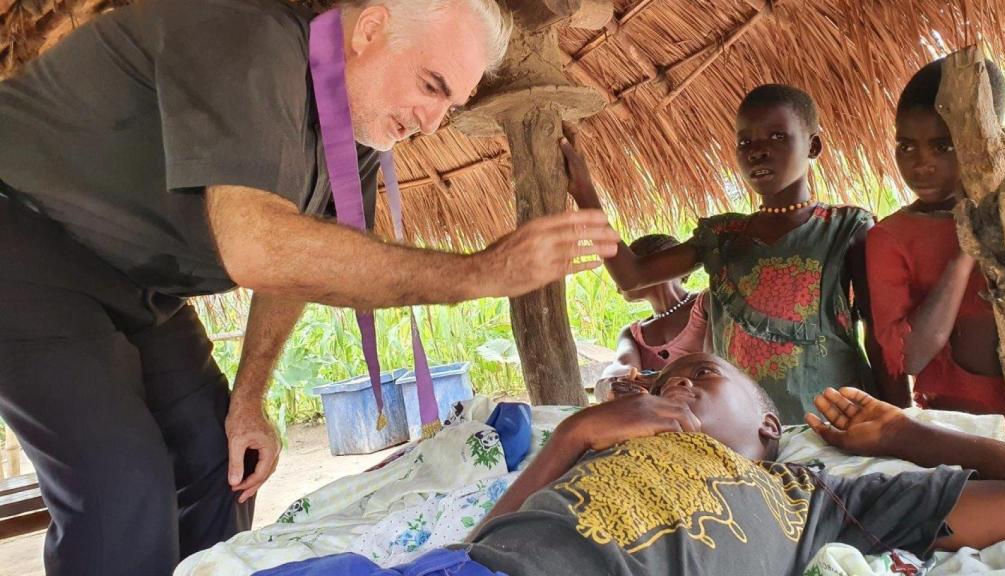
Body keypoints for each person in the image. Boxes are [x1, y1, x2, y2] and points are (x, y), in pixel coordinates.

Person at [0, 0, 620, 573]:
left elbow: (304, 261)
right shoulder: (249, 35)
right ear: (371, 29)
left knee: (223, 461)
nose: (432, 124)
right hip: (23, 240)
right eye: (431, 86)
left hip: (142, 285)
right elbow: (257, 244)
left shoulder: (357, 135)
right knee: (118, 486)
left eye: (450, 105)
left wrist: (250, 398)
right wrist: (479, 273)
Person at [258, 353, 1005, 576]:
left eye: (701, 376)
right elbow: (479, 543)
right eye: (665, 381)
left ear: (766, 422)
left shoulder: (811, 496)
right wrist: (574, 437)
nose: (676, 386)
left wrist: (912, 437)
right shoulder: (602, 443)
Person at [564, 84, 883, 424]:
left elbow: (878, 334)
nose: (757, 151)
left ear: (813, 145)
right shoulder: (723, 238)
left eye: (777, 136)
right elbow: (632, 275)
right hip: (746, 428)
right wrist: (585, 192)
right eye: (745, 142)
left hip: (835, 422)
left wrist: (898, 415)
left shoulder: (845, 229)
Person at [865, 57, 1005, 428]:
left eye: (943, 146)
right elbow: (910, 357)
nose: (921, 164)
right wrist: (965, 252)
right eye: (906, 146)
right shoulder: (891, 237)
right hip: (963, 433)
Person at [594, 234, 708, 402]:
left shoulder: (706, 305)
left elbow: (718, 365)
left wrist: (660, 379)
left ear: (650, 267)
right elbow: (622, 366)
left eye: (621, 271)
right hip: (662, 418)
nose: (618, 286)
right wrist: (613, 383)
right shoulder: (632, 333)